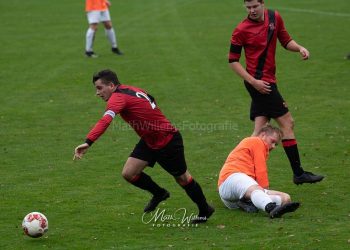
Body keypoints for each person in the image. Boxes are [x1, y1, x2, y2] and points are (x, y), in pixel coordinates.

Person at [73, 69, 214, 223]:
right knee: (129, 173)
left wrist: (88, 142)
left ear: (112, 85)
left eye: (99, 88)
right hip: (149, 140)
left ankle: (205, 209)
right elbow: (151, 99)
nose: (97, 93)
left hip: (167, 141)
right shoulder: (131, 89)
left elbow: (105, 121)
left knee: (183, 178)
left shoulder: (117, 98)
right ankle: (159, 193)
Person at [228, 0, 324, 185]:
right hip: (260, 84)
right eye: (248, 7)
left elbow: (285, 40)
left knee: (258, 131)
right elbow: (233, 60)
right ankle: (298, 173)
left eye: (255, 6)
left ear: (262, 3)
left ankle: (237, 174)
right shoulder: (241, 30)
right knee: (287, 122)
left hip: (266, 81)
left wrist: (299, 48)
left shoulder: (274, 17)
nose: (252, 10)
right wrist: (254, 82)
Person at [218, 125, 300, 218]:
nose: (273, 146)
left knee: (285, 198)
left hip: (232, 199)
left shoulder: (254, 145)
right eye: (272, 141)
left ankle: (247, 202)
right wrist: (265, 190)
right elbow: (261, 170)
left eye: (276, 144)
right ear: (263, 135)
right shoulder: (256, 141)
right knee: (257, 191)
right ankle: (271, 208)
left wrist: (263, 193)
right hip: (232, 179)